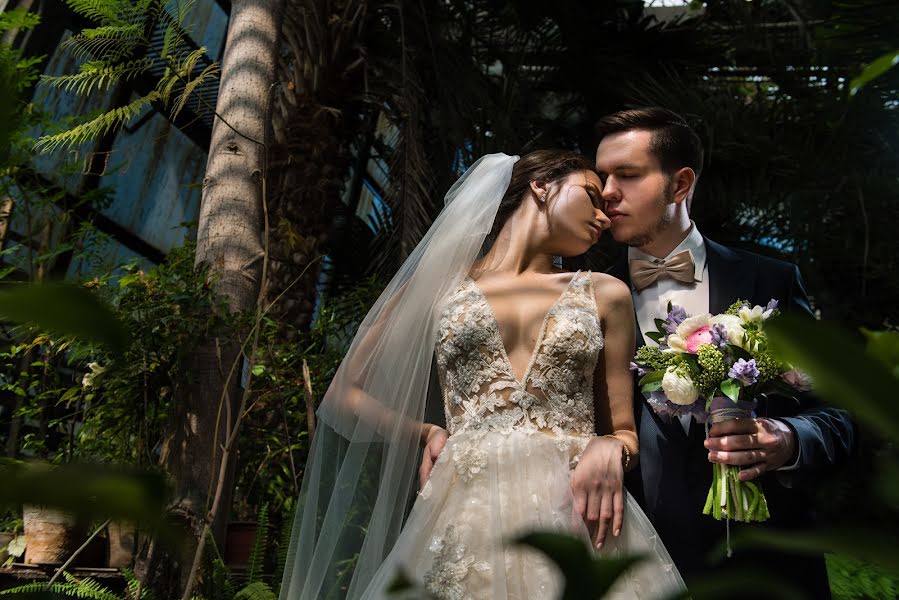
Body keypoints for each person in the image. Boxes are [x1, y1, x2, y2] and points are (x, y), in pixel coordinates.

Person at [278, 150, 685, 599]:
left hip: (574, 516)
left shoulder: (606, 293)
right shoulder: (441, 287)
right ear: (541, 186)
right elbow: (343, 393)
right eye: (591, 196)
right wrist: (425, 431)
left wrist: (612, 447)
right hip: (464, 518)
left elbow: (624, 431)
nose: (603, 218)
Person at [596, 107, 856, 597]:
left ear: (680, 184)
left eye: (627, 175)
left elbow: (838, 414)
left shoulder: (770, 280)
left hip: (764, 562)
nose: (607, 191)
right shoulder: (579, 296)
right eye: (603, 176)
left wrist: (787, 438)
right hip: (628, 560)